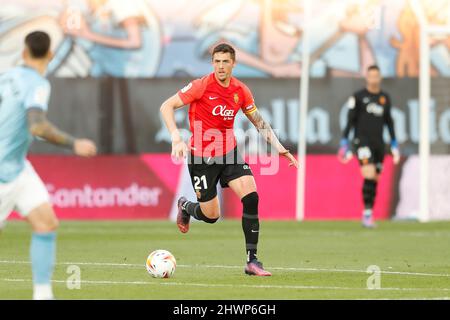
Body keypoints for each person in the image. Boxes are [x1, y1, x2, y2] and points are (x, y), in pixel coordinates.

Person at [160, 43, 298, 276]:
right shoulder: (201, 85)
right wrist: (176, 138)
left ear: (233, 63)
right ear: (212, 63)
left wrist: (279, 148)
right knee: (211, 216)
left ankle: (252, 261)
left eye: (225, 62)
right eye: (217, 61)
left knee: (252, 197)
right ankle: (186, 206)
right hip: (202, 158)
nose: (221, 66)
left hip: (229, 154)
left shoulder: (241, 91)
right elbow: (167, 106)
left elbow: (258, 122)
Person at [0, 31, 97, 299]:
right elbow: (38, 125)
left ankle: (43, 295)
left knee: (46, 223)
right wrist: (73, 143)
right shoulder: (38, 83)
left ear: (23, 52)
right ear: (50, 55)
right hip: (3, 173)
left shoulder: (6, 77)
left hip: (18, 167)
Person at [339, 65, 400, 228]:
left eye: (376, 76)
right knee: (369, 173)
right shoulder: (358, 97)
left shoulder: (384, 98)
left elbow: (389, 122)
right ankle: (366, 216)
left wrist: (394, 143)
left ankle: (368, 213)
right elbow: (350, 121)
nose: (374, 79)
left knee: (375, 178)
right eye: (371, 76)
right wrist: (344, 142)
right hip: (362, 142)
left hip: (379, 144)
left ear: (379, 78)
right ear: (367, 77)